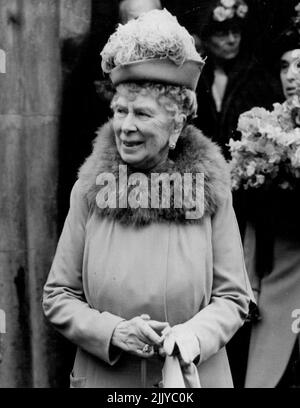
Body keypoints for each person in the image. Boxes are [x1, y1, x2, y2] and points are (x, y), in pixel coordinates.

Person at [43, 9, 253, 388]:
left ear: (176, 124)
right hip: (106, 381)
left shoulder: (211, 191)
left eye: (142, 113)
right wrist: (111, 331)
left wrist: (191, 339)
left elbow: (235, 298)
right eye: (120, 111)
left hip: (190, 378)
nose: (126, 126)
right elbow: (58, 295)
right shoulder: (90, 188)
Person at [244, 4, 300, 388]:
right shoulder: (264, 133)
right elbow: (250, 215)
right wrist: (248, 284)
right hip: (278, 286)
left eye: (299, 65)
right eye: (285, 67)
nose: (292, 76)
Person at [194, 0, 281, 160]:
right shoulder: (197, 77)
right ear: (206, 38)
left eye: (236, 32)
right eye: (222, 33)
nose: (232, 40)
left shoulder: (257, 77)